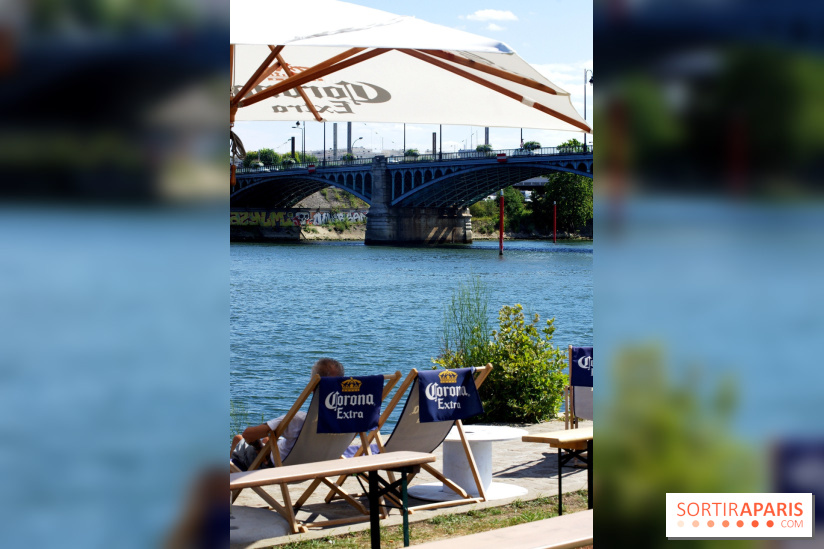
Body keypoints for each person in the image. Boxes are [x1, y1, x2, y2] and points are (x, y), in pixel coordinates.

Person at [230, 358, 344, 471]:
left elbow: (248, 434)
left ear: (312, 387)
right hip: (316, 467)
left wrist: (259, 448)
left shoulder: (298, 420)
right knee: (267, 439)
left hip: (278, 468)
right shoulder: (347, 419)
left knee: (238, 439)